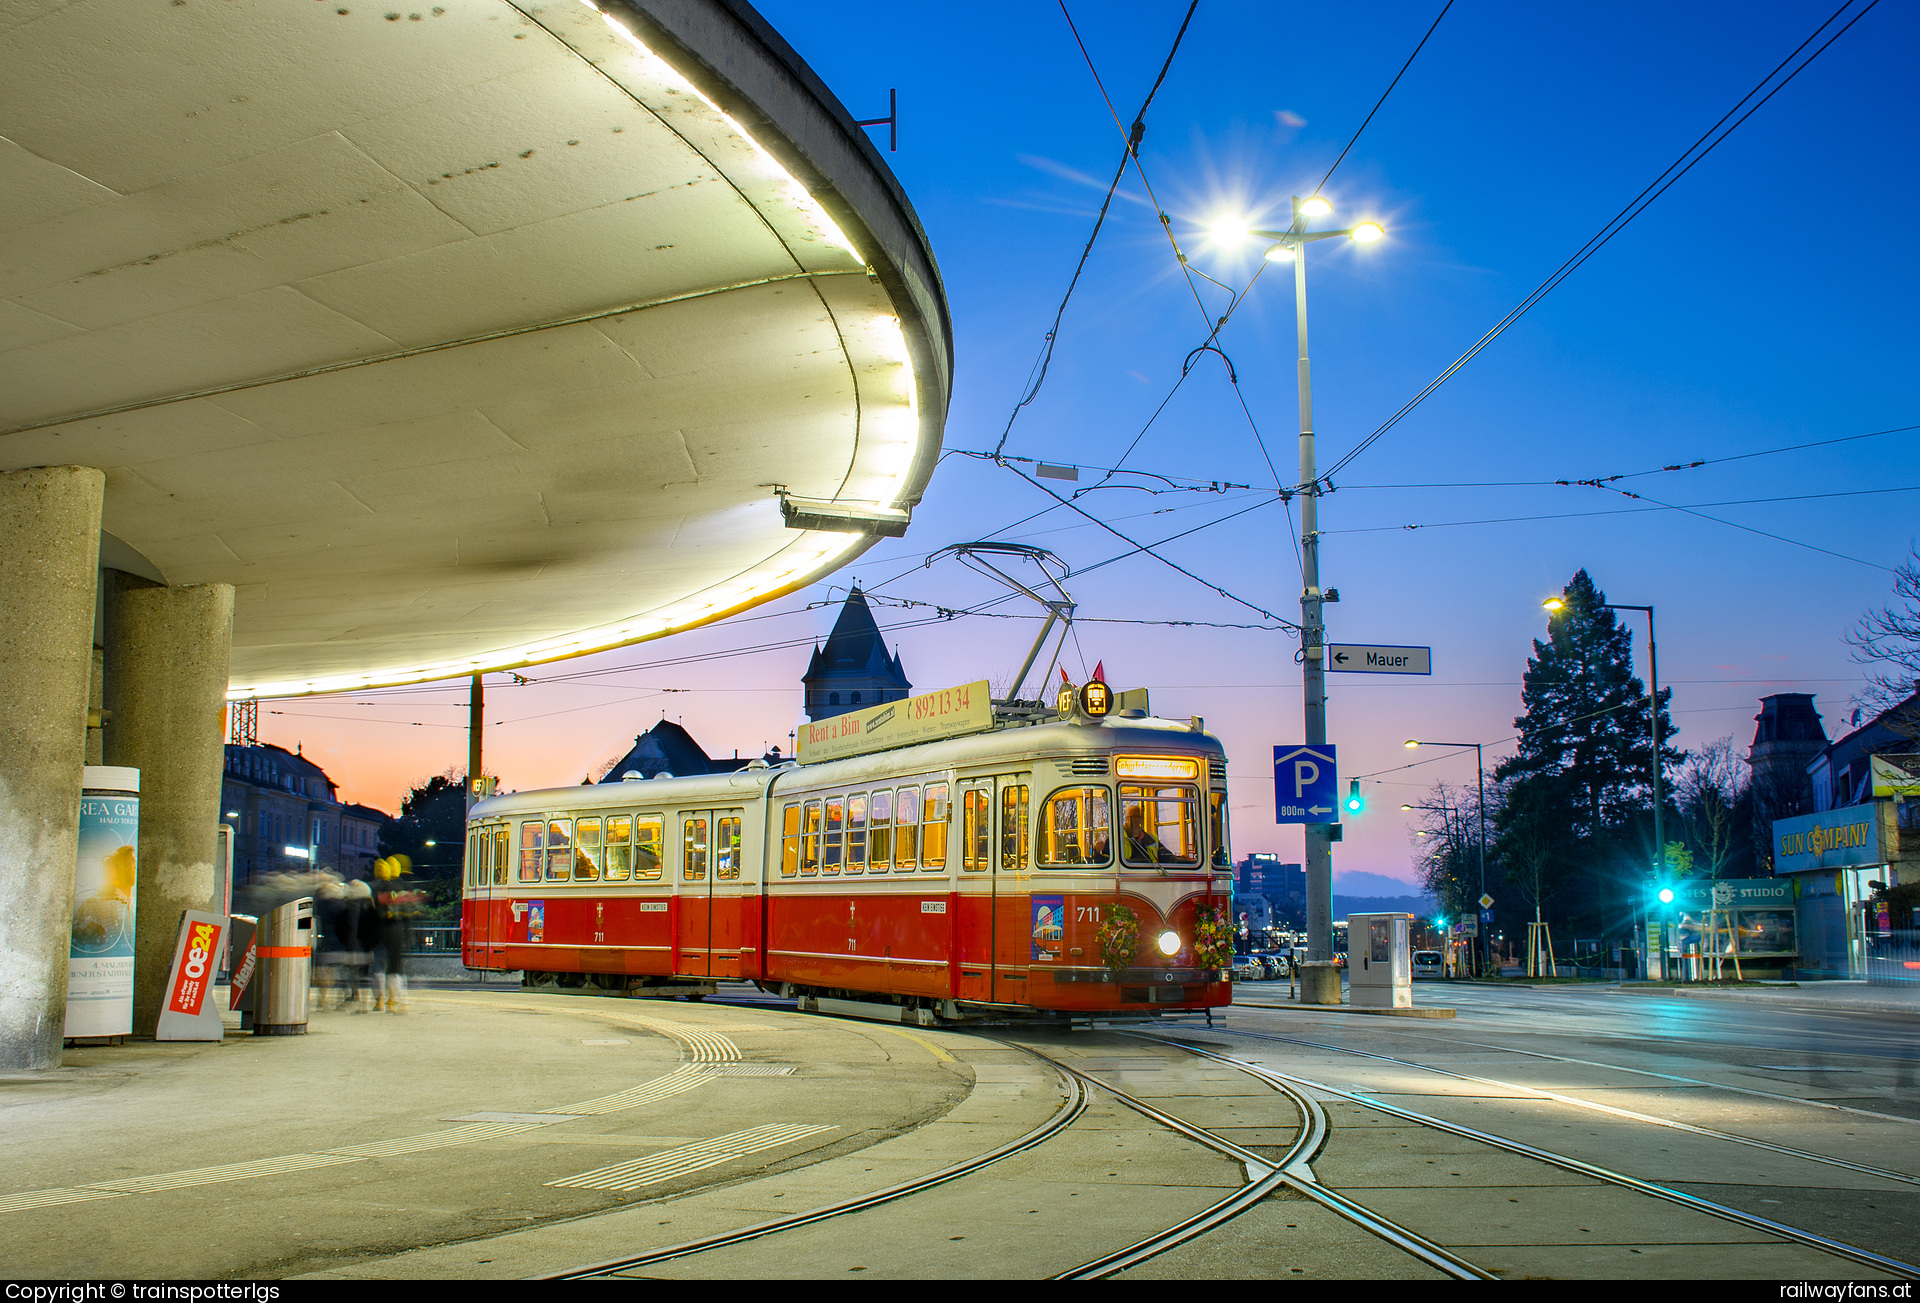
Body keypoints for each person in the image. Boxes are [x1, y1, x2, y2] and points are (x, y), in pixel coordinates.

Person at [341, 879, 374, 1011]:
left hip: (353, 945)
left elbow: (346, 927)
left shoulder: (350, 906)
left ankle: (355, 995)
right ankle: (364, 1001)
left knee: (352, 973)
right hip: (366, 946)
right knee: (364, 974)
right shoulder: (369, 906)